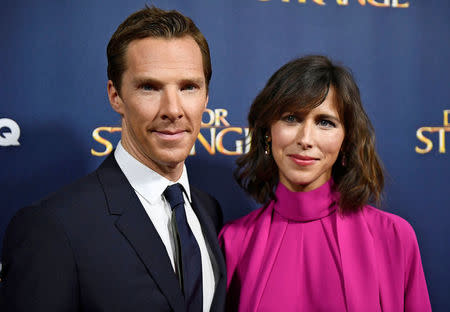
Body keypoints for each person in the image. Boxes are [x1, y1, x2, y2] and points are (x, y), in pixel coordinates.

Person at [1, 6, 226, 312]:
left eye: (189, 87)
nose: (173, 109)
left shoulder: (208, 210)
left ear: (206, 97)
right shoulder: (53, 227)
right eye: (149, 87)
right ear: (115, 96)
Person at [219, 55, 431, 311]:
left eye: (324, 122)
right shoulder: (233, 243)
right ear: (267, 133)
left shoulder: (394, 237)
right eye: (291, 118)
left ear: (346, 140)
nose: (306, 139)